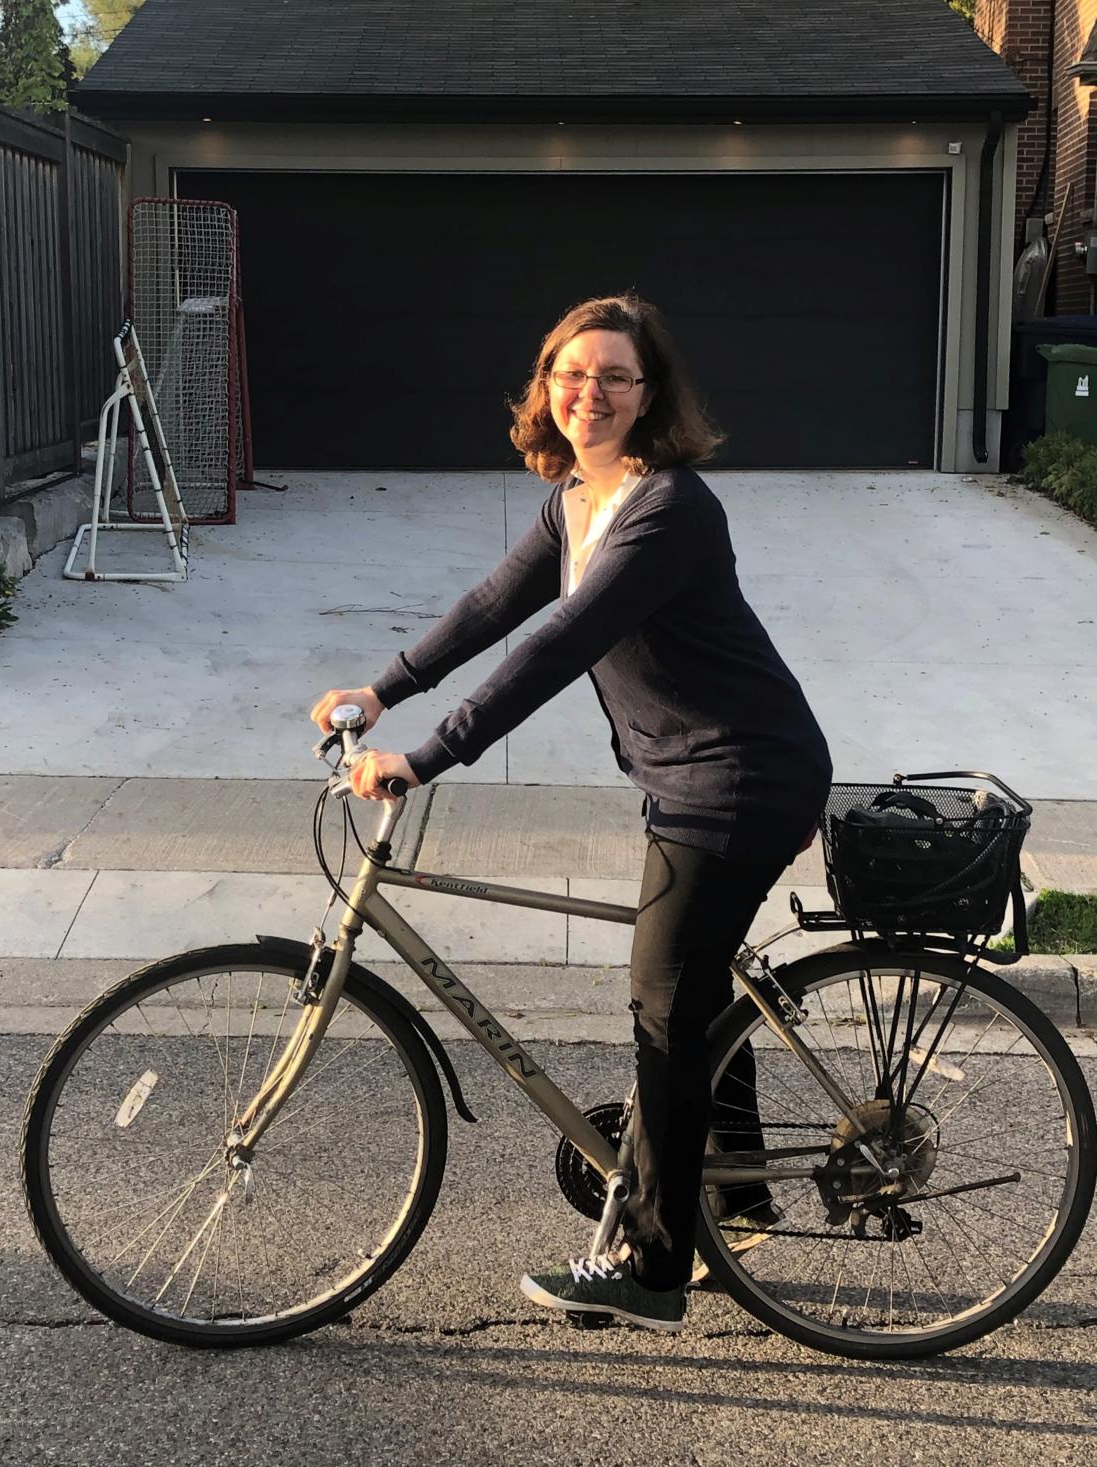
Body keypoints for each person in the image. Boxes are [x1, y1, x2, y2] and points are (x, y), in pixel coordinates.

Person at [311, 294, 832, 1334]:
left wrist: (423, 758)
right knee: (685, 986)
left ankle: (650, 1264)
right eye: (570, 372)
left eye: (613, 377)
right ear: (544, 385)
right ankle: (733, 1192)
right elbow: (491, 607)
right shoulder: (575, 501)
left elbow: (555, 647)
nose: (587, 393)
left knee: (661, 1002)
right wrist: (382, 690)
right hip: (684, 775)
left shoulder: (669, 508)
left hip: (740, 778)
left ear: (650, 397)